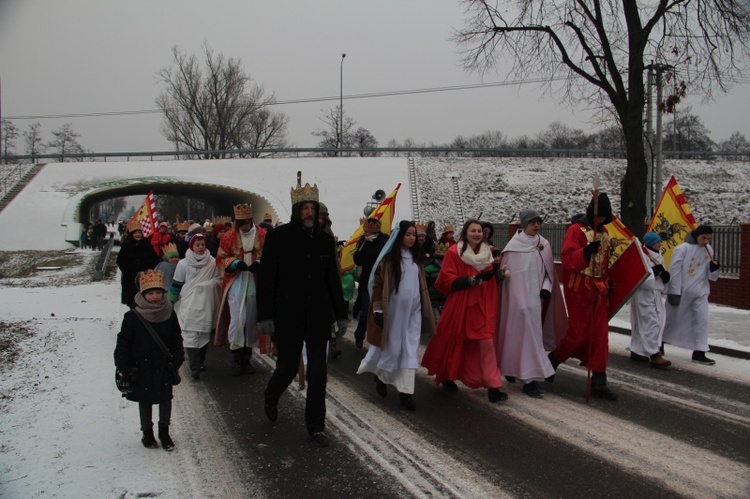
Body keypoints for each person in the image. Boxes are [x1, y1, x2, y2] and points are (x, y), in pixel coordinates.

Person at [258, 172, 348, 448]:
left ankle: (315, 426)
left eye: (313, 208)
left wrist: (341, 313)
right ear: (297, 210)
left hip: (319, 316)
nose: (309, 212)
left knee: (318, 373)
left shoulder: (324, 239)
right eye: (305, 208)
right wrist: (265, 317)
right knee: (286, 368)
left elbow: (332, 278)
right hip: (288, 315)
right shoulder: (279, 237)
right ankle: (271, 395)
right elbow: (266, 279)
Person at [421, 219, 508, 403]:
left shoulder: (488, 254)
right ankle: (447, 375)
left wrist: (497, 275)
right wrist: (470, 280)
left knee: (486, 343)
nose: (477, 234)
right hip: (461, 303)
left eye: (479, 231)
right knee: (455, 340)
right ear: (465, 233)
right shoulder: (454, 252)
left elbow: (489, 279)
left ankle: (493, 386)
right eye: (473, 231)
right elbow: (445, 281)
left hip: (483, 304)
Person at [357, 220, 436, 411]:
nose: (411, 238)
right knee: (392, 350)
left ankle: (405, 392)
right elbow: (377, 286)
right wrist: (378, 310)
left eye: (413, 235)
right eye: (408, 234)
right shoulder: (389, 261)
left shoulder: (416, 259)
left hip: (413, 314)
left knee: (409, 351)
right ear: (400, 237)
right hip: (393, 314)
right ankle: (382, 378)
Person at [547, 193, 618, 400]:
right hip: (580, 290)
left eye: (604, 217)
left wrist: (608, 280)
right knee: (578, 336)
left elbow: (604, 264)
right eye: (598, 216)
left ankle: (599, 381)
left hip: (599, 291)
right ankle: (552, 361)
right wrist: (586, 252)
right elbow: (568, 260)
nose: (601, 220)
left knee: (600, 337)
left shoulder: (604, 233)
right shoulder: (575, 231)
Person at [496, 210, 567, 398]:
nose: (536, 226)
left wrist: (546, 288)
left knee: (532, 338)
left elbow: (548, 272)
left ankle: (530, 379)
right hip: (516, 302)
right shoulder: (513, 247)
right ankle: (513, 369)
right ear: (524, 224)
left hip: (536, 301)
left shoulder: (543, 245)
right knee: (514, 337)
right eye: (533, 222)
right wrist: (516, 299)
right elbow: (508, 277)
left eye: (538, 222)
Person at [114, 269, 184, 451]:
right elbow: (124, 341)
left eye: (158, 292)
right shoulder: (132, 317)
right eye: (151, 293)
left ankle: (164, 432)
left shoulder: (169, 313)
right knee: (144, 400)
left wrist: (177, 359)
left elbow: (176, 337)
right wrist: (122, 363)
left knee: (165, 399)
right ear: (143, 294)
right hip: (141, 367)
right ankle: (147, 433)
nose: (155, 297)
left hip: (163, 366)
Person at [214, 203, 267, 376]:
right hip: (236, 282)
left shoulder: (262, 234)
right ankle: (235, 357)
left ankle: (247, 358)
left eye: (246, 222)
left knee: (251, 319)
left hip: (254, 281)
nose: (243, 226)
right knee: (237, 319)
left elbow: (270, 255)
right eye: (240, 222)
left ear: (251, 220)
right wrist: (235, 263)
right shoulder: (229, 236)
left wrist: (260, 264)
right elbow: (220, 258)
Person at [662, 225, 721, 365]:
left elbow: (711, 276)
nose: (706, 241)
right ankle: (659, 344)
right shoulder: (683, 249)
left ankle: (699, 352)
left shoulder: (709, 250)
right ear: (696, 236)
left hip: (700, 292)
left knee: (701, 321)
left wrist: (714, 269)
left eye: (709, 238)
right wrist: (674, 291)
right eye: (703, 238)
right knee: (671, 319)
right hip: (683, 292)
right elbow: (675, 270)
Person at [169, 234, 222, 380]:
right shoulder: (183, 264)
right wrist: (169, 302)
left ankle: (201, 361)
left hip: (205, 302)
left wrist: (207, 286)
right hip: (188, 303)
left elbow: (219, 279)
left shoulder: (212, 262)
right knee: (190, 333)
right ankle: (194, 366)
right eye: (197, 245)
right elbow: (177, 284)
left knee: (203, 332)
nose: (200, 248)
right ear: (192, 246)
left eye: (203, 245)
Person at [629, 232, 672, 369]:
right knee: (650, 322)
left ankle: (637, 349)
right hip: (644, 293)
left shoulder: (658, 255)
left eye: (659, 241)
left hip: (655, 292)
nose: (659, 243)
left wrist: (664, 276)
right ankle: (654, 354)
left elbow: (660, 274)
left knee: (656, 321)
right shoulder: (643, 255)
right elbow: (642, 274)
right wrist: (654, 271)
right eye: (656, 241)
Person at [352, 217, 389, 348]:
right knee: (366, 310)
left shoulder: (384, 242)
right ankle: (359, 336)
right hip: (366, 281)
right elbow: (358, 260)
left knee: (378, 312)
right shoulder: (364, 242)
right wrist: (361, 246)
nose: (365, 233)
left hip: (379, 281)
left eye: (367, 231)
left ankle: (378, 340)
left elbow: (378, 257)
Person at [116, 220, 160, 308]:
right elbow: (120, 261)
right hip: (130, 279)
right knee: (132, 302)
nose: (137, 235)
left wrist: (148, 269)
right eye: (135, 233)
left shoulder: (146, 244)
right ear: (132, 234)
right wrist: (129, 270)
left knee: (145, 300)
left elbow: (155, 259)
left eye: (139, 233)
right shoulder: (127, 245)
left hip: (145, 278)